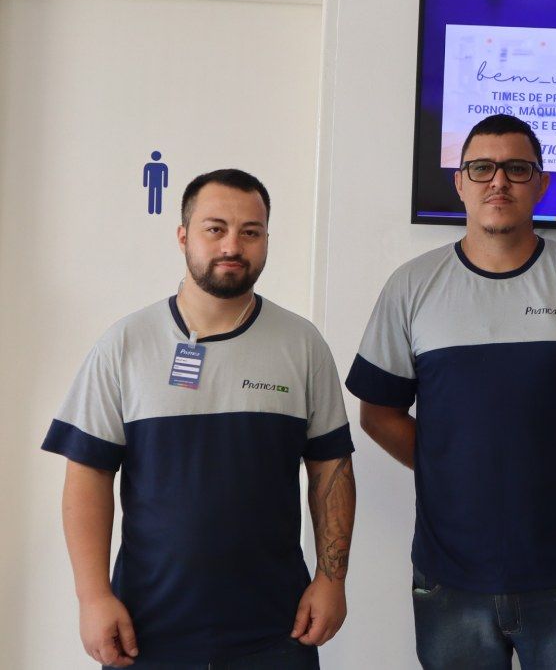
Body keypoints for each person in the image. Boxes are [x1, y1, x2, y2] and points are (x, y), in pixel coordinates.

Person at [347, 114, 556, 670]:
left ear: (542, 184)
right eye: (482, 168)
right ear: (460, 183)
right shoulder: (412, 286)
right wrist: (450, 470)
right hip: (449, 578)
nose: (499, 182)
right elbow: (378, 412)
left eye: (517, 168)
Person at [43, 169, 356, 669]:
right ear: (184, 235)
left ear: (266, 240)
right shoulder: (125, 345)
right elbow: (89, 473)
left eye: (250, 232)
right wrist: (92, 597)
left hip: (276, 629)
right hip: (146, 630)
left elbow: (330, 469)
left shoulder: (302, 345)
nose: (233, 245)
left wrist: (332, 578)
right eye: (216, 228)